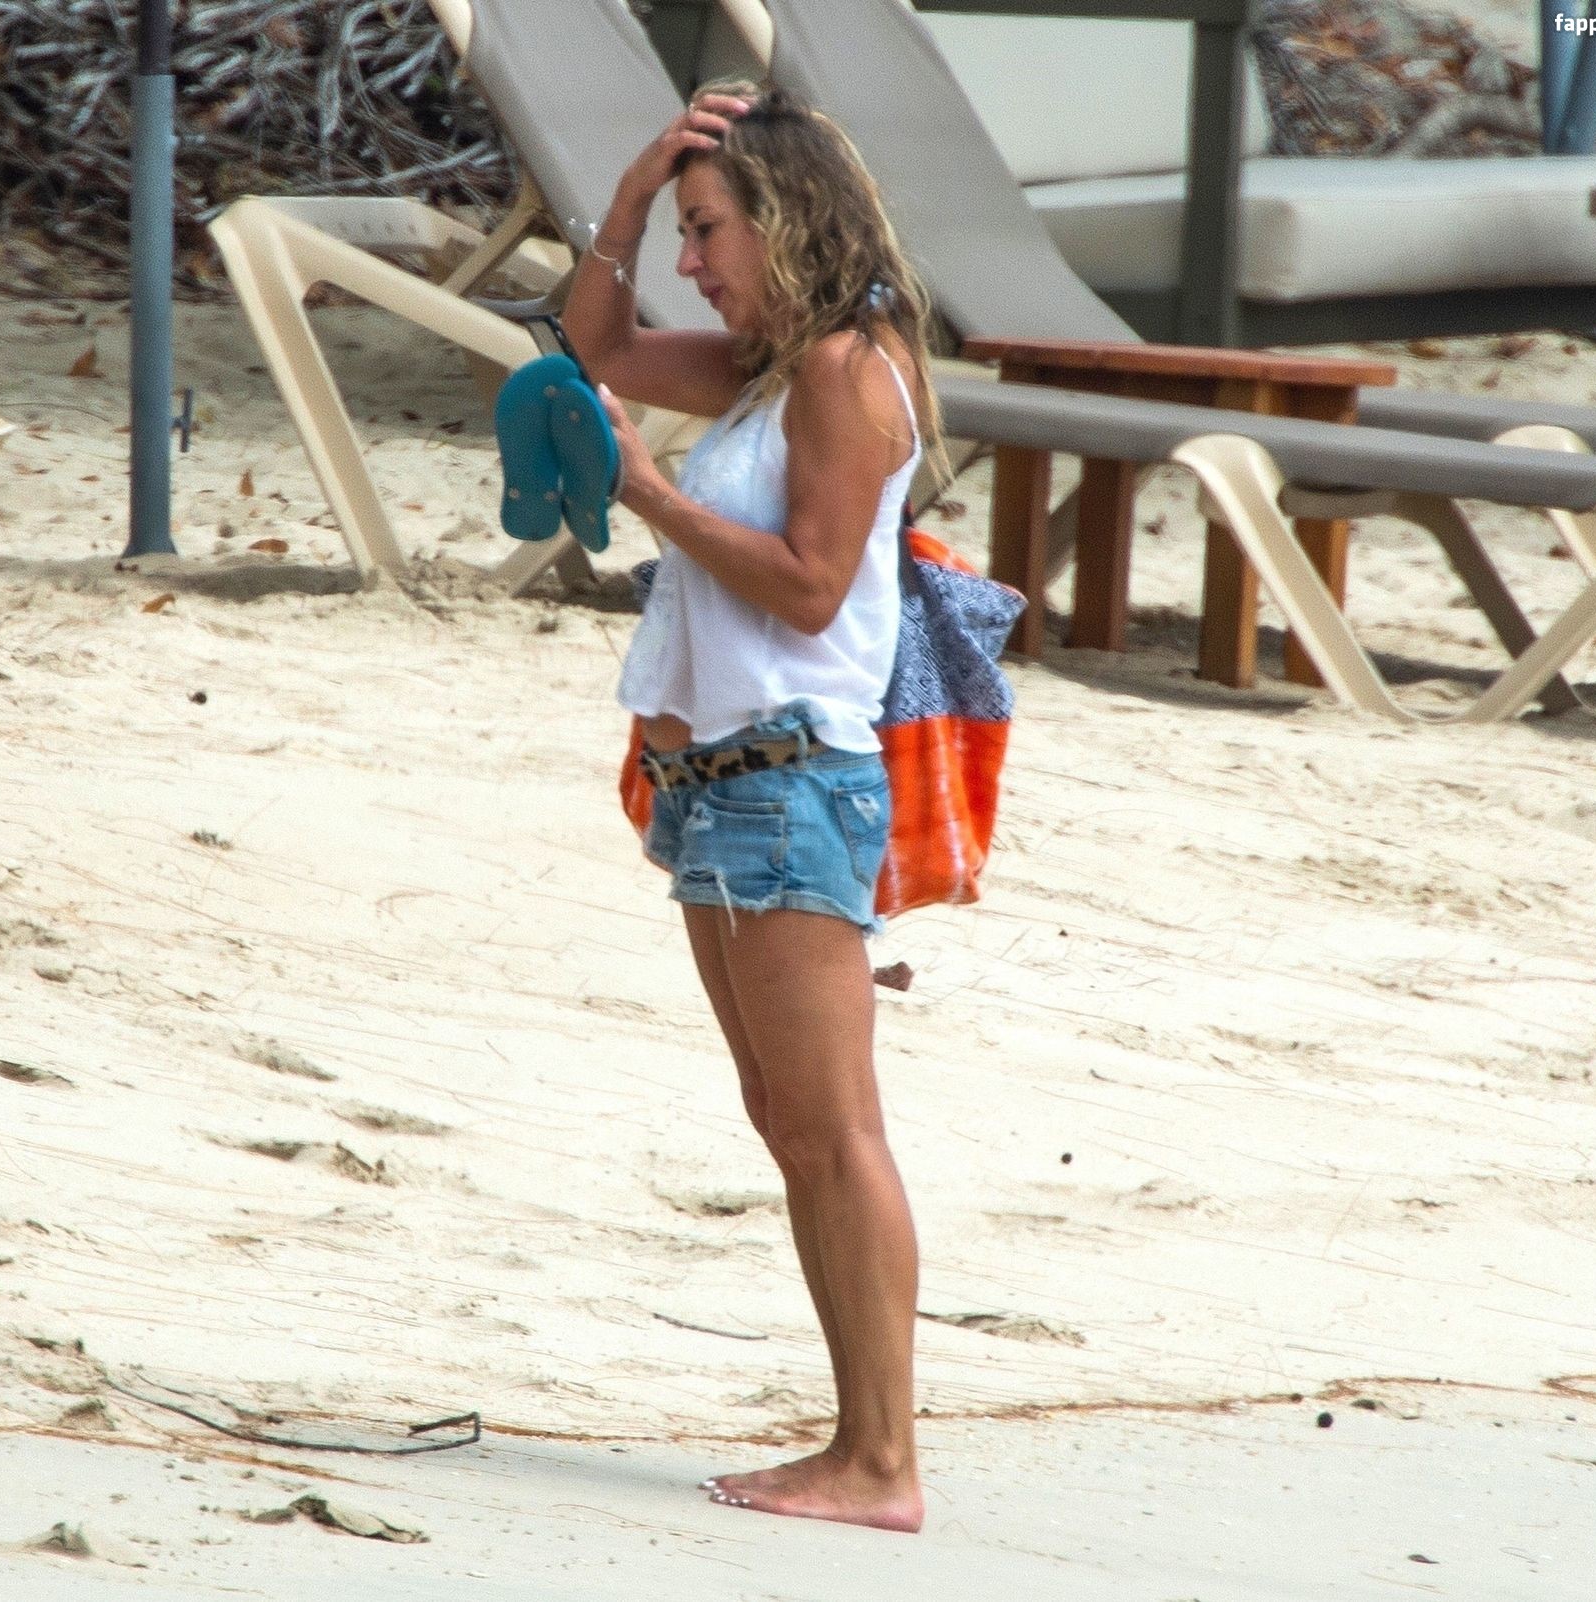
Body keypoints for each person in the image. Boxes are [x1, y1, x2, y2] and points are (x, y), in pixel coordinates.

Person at [561, 83, 943, 1535]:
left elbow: (810, 586)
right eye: (683, 229)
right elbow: (597, 346)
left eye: (709, 230)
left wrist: (647, 492)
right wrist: (631, 188)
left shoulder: (845, 369)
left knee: (835, 1130)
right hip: (721, 789)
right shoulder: (779, 365)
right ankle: (860, 1442)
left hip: (789, 782)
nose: (691, 261)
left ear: (785, 221)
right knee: (789, 1121)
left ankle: (883, 1461)